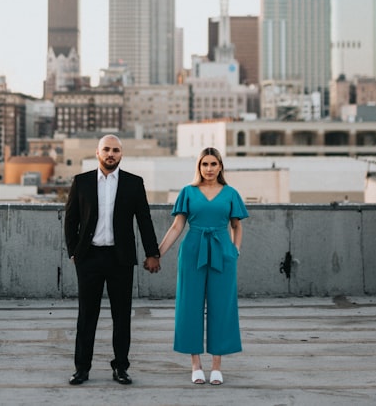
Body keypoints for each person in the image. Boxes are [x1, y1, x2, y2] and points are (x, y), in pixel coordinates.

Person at [64, 134, 161, 386]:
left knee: (122, 316)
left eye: (115, 150)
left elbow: (144, 220)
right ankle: (82, 369)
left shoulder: (133, 183)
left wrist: (152, 253)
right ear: (97, 153)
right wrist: (74, 251)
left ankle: (121, 368)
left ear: (121, 154)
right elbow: (71, 219)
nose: (111, 154)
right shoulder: (82, 181)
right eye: (106, 149)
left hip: (121, 259)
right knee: (87, 316)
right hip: (90, 257)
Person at [157, 146, 248, 386]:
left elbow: (237, 226)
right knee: (189, 305)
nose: (209, 169)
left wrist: (234, 251)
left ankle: (216, 366)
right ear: (199, 167)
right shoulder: (187, 192)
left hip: (222, 251)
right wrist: (157, 253)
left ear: (220, 167)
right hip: (192, 250)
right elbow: (177, 226)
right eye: (204, 164)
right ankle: (195, 364)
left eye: (213, 164)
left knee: (222, 306)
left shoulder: (230, 193)